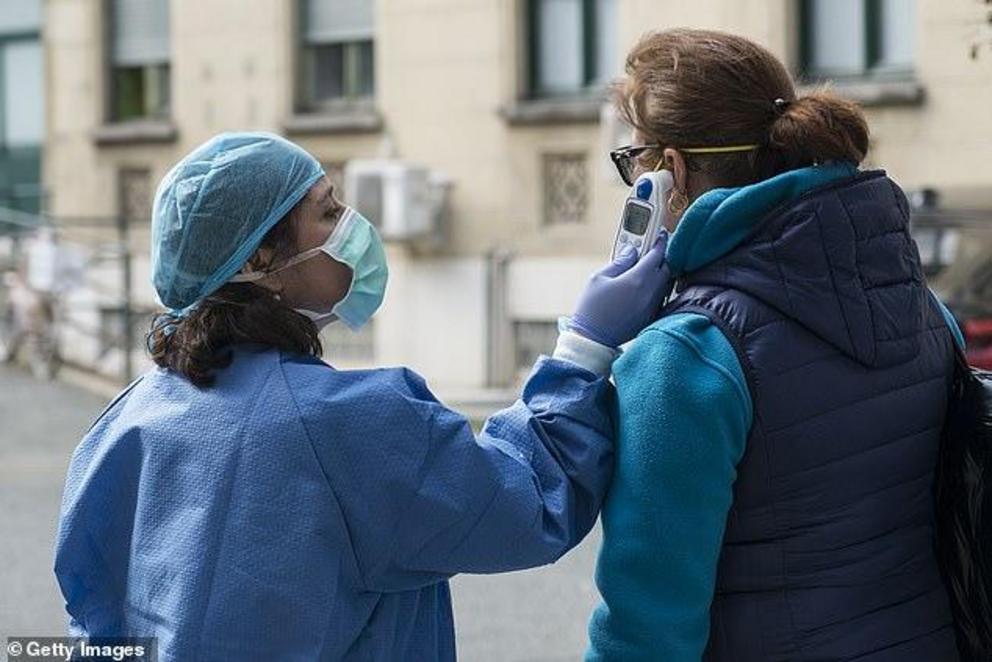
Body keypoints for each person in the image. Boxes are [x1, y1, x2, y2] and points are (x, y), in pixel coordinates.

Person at [54, 132, 673, 661]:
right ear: (262, 255)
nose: (353, 226)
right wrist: (584, 350)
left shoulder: (125, 422)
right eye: (328, 211)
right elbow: (528, 504)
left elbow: (97, 625)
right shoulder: (346, 424)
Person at [586, 29, 965, 661]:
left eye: (633, 161)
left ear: (668, 170)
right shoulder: (924, 308)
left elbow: (647, 627)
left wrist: (585, 343)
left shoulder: (686, 355)